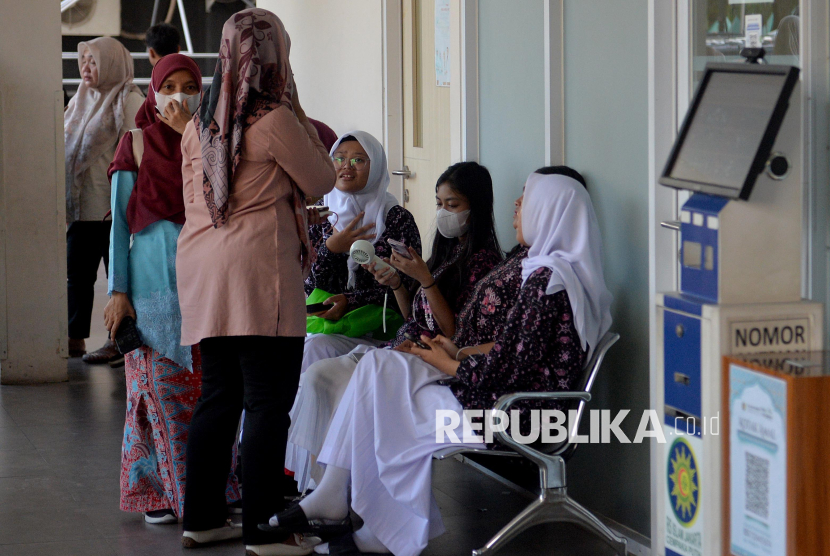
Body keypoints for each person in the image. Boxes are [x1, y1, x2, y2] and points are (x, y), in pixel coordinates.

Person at [268, 170, 613, 556]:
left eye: (527, 199)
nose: (517, 206)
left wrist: (448, 363)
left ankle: (353, 509)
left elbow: (508, 371)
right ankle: (344, 501)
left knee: (383, 394)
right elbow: (512, 353)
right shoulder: (553, 274)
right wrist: (455, 353)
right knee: (379, 371)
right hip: (499, 391)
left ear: (549, 212)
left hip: (510, 409)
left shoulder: (549, 283)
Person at [177, 9, 336, 555]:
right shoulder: (273, 118)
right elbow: (322, 178)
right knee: (268, 401)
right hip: (257, 272)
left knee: (219, 395)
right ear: (276, 55)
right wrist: (296, 106)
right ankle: (266, 531)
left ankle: (201, 519)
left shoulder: (201, 123)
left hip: (203, 269)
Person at [285, 161, 503, 493]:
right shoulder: (445, 255)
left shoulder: (483, 264)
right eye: (439, 204)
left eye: (453, 205)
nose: (443, 212)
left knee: (335, 382)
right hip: (403, 346)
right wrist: (399, 285)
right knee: (318, 376)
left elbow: (453, 332)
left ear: (477, 206)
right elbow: (414, 318)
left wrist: (425, 281)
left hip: (425, 357)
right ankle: (315, 485)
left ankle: (340, 490)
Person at [104, 53, 239, 525]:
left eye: (189, 86)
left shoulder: (213, 143)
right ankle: (160, 492)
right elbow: (120, 225)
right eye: (169, 86)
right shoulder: (136, 143)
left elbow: (224, 202)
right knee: (154, 392)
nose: (179, 96)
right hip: (150, 292)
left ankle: (213, 488)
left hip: (204, 287)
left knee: (207, 392)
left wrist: (192, 138)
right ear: (154, 91)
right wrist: (117, 290)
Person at [301, 130, 422, 372]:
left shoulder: (396, 218)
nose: (346, 166)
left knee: (315, 353)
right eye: (339, 158)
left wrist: (351, 300)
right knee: (308, 351)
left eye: (358, 160)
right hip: (329, 326)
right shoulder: (321, 217)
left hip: (380, 328)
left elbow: (408, 284)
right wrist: (331, 249)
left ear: (375, 166)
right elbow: (309, 284)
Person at [64, 37, 144, 364]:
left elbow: (135, 155)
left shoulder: (128, 99)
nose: (86, 67)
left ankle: (121, 344)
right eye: (84, 60)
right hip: (83, 208)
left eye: (94, 61)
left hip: (114, 211)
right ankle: (73, 339)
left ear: (112, 63)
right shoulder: (82, 99)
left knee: (119, 282)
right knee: (77, 276)